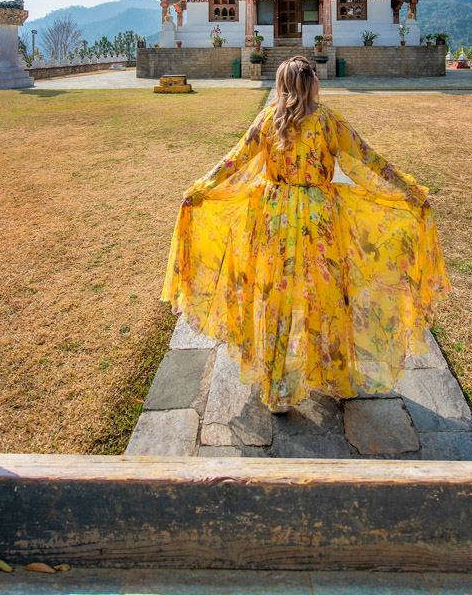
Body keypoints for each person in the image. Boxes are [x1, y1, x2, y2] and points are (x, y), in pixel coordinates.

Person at [162, 55, 449, 413]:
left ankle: (280, 389)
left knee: (277, 299)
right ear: (309, 81)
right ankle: (334, 377)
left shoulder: (270, 120)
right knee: (325, 295)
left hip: (276, 218)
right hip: (320, 218)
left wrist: (202, 188)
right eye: (314, 74)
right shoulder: (328, 121)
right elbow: (367, 159)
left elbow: (234, 161)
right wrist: (406, 188)